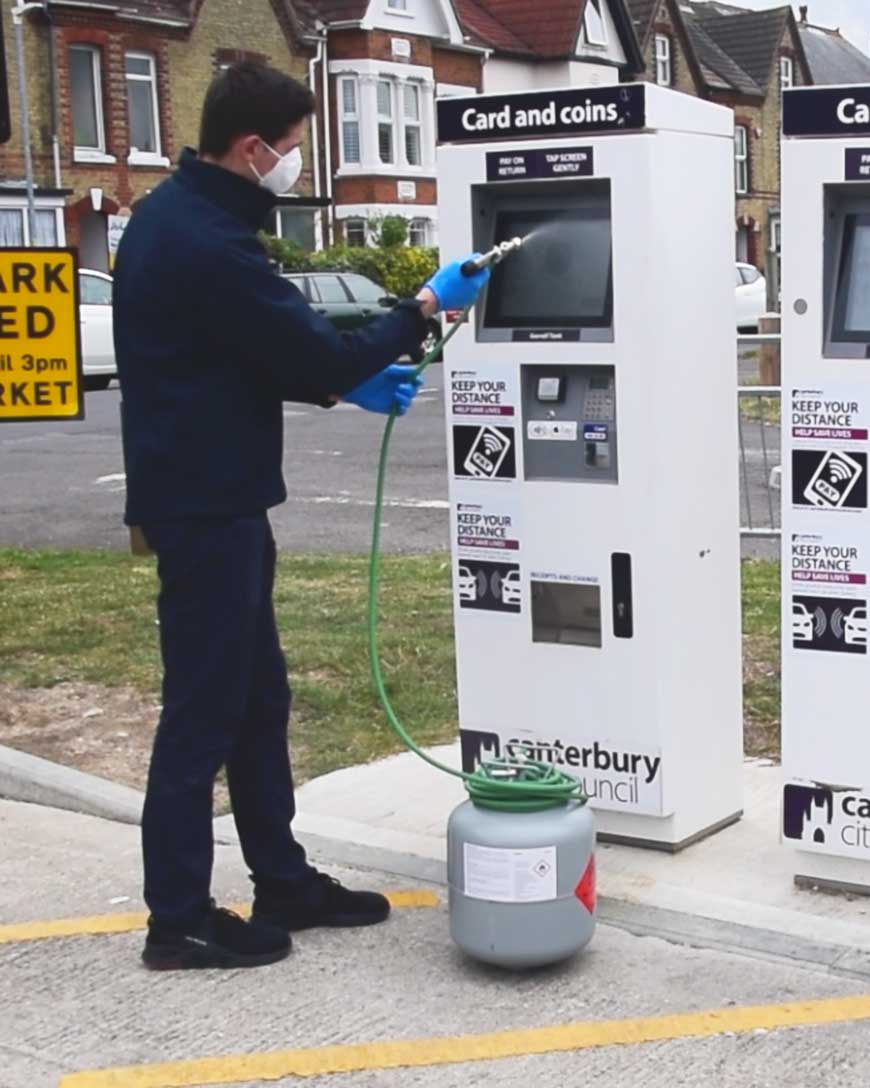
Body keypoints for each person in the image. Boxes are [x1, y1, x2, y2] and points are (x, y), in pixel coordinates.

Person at [114, 61, 491, 971]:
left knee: (256, 702)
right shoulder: (207, 241)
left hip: (220, 497)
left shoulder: (182, 217)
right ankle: (179, 918)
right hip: (205, 508)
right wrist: (425, 307)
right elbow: (312, 347)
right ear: (251, 148)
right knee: (203, 714)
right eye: (288, 150)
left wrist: (343, 389)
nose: (293, 165)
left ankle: (281, 878)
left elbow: (245, 355)